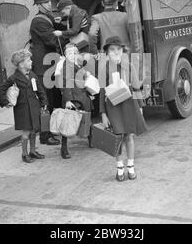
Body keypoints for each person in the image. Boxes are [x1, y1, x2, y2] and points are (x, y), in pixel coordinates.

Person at [99, 36, 147, 182]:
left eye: (118, 49)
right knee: (118, 137)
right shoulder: (104, 69)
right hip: (113, 108)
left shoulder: (129, 67)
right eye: (112, 49)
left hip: (128, 105)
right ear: (107, 52)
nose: (115, 52)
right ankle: (120, 168)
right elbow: (102, 92)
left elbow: (136, 87)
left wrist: (139, 107)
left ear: (122, 51)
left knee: (129, 136)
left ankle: (131, 166)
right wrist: (103, 113)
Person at [0, 49, 48, 163]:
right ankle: (24, 154)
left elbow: (40, 90)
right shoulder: (14, 78)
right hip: (23, 109)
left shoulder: (32, 74)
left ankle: (33, 151)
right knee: (26, 132)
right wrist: (5, 102)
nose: (31, 62)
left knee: (34, 130)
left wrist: (44, 102)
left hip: (34, 107)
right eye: (29, 60)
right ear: (21, 64)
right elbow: (1, 89)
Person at [29, 0, 62, 146]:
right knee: (46, 101)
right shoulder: (39, 21)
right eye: (46, 2)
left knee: (54, 98)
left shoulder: (46, 18)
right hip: (43, 68)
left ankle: (51, 130)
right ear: (39, 5)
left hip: (50, 66)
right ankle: (44, 135)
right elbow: (52, 40)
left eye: (49, 0)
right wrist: (69, 36)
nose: (49, 4)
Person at [56, 44, 94, 158]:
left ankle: (91, 140)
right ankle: (64, 149)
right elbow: (65, 85)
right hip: (73, 97)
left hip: (82, 96)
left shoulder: (78, 64)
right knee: (68, 122)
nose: (72, 55)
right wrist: (67, 100)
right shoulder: (66, 66)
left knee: (87, 119)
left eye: (74, 53)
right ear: (65, 55)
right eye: (69, 53)